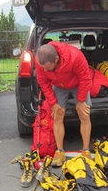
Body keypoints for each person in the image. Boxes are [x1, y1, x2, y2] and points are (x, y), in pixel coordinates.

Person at [35, 41, 93, 169]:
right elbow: (43, 82)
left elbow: (85, 78)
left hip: (78, 84)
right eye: (43, 68)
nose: (45, 70)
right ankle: (59, 151)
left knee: (84, 114)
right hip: (59, 86)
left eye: (48, 68)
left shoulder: (75, 57)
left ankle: (86, 150)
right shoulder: (40, 61)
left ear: (56, 59)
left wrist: (81, 101)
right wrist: (53, 103)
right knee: (58, 115)